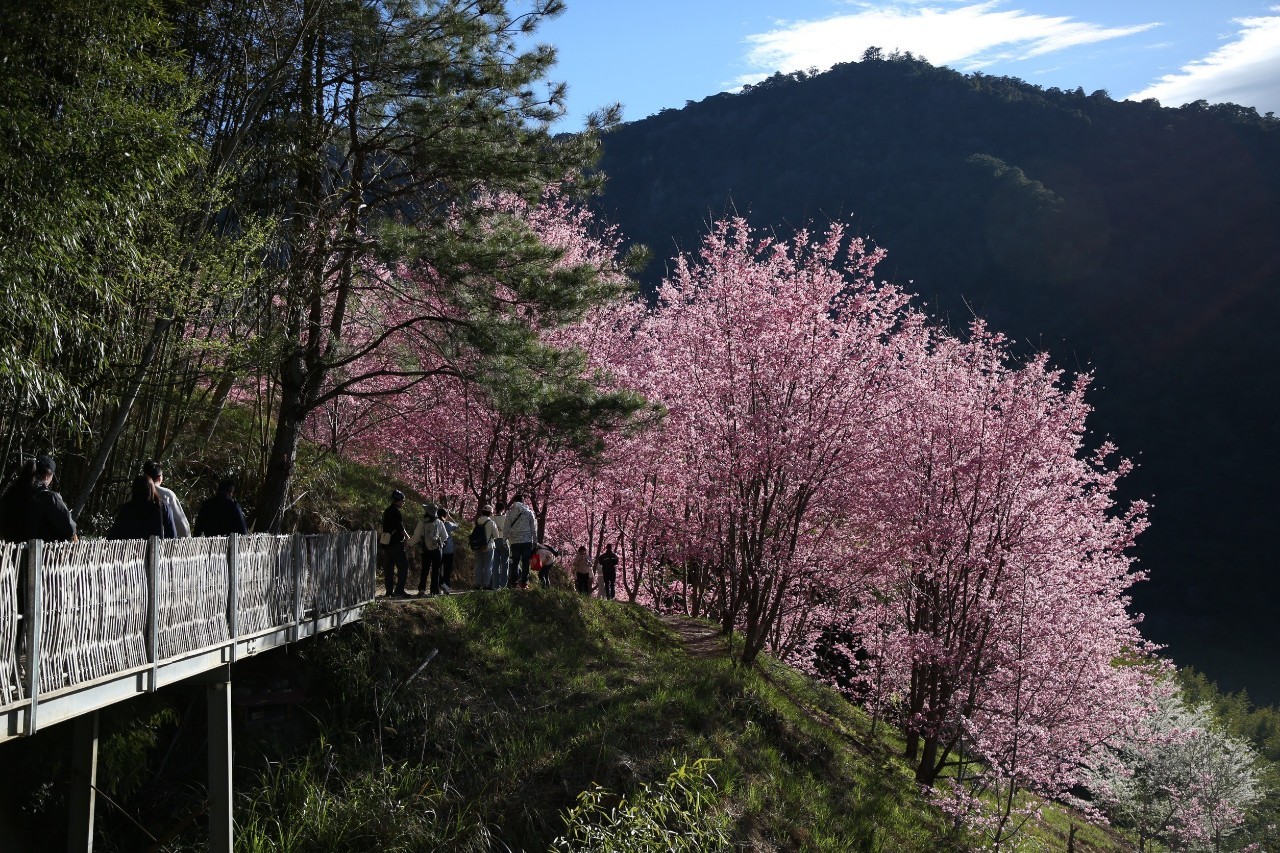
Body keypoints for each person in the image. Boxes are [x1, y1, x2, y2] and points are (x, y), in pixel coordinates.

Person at [0, 455, 77, 544]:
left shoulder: (9, 496)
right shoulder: (49, 498)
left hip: (9, 554)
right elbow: (69, 529)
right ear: (47, 476)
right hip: (41, 555)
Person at [106, 474, 175, 540]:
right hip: (155, 549)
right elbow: (172, 534)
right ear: (151, 488)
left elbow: (114, 534)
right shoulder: (161, 507)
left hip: (130, 549)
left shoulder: (127, 508)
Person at [142, 460, 191, 538]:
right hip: (162, 544)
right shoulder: (167, 495)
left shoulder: (135, 493)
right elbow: (181, 523)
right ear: (159, 477)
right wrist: (186, 539)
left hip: (135, 544)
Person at [408, 505, 447, 595]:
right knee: (436, 570)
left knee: (425, 569)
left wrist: (409, 543)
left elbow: (416, 536)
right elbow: (445, 536)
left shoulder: (422, 522)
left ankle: (422, 588)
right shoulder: (439, 522)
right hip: (437, 549)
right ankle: (434, 591)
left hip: (426, 549)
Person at [504, 494, 537, 590]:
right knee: (525, 562)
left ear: (514, 501)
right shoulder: (529, 512)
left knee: (515, 562)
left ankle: (514, 583)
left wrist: (504, 539)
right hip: (527, 541)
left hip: (514, 541)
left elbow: (506, 527)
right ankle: (524, 583)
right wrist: (535, 541)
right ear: (523, 502)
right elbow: (533, 527)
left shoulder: (510, 513)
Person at [382, 490, 410, 597]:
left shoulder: (387, 511)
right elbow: (400, 528)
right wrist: (408, 538)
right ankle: (399, 590)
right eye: (402, 501)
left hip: (386, 543)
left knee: (389, 567)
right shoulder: (396, 512)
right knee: (403, 566)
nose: (403, 503)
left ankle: (389, 591)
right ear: (397, 500)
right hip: (396, 543)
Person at [470, 505, 499, 589]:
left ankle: (477, 584)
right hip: (488, 547)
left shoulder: (477, 521)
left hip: (478, 547)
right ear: (490, 513)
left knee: (478, 566)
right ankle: (486, 585)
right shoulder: (491, 523)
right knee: (487, 567)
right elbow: (496, 535)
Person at [491, 500, 510, 590]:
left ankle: (495, 585)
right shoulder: (506, 518)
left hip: (494, 541)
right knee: (504, 564)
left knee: (495, 564)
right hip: (504, 541)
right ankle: (503, 585)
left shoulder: (491, 518)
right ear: (503, 509)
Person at [438, 508, 458, 593]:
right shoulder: (449, 524)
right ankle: (446, 585)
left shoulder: (436, 523)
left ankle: (440, 584)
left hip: (438, 549)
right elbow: (457, 525)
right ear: (445, 516)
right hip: (449, 550)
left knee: (438, 569)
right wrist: (449, 517)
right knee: (447, 570)